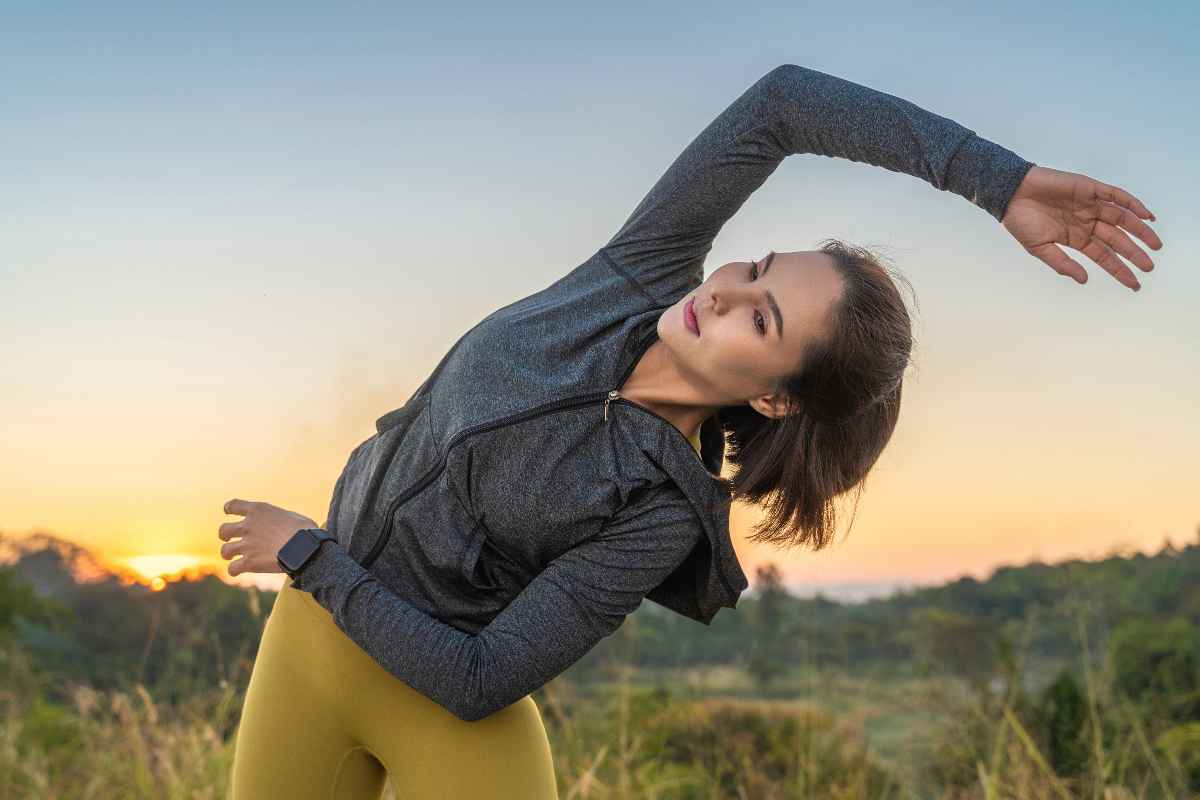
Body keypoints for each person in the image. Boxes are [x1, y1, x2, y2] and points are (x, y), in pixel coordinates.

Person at [220, 63, 1162, 798]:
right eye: (753, 267)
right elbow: (784, 103)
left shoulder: (661, 512)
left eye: (763, 319)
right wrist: (993, 181)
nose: (723, 290)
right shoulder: (635, 271)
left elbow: (481, 677)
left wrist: (309, 554)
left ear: (777, 400)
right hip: (304, 652)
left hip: (435, 706)